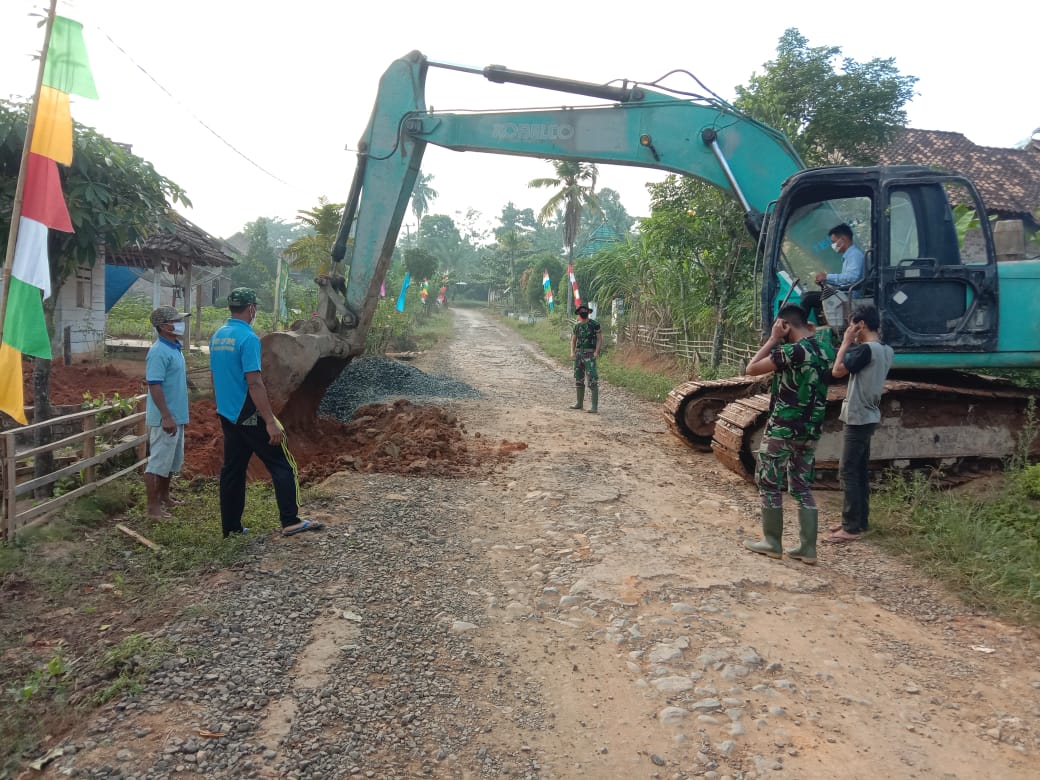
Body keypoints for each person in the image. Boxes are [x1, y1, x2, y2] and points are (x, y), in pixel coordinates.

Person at [209, 288, 324, 538]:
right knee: (282, 462)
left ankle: (231, 528)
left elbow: (216, 375)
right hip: (248, 412)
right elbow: (254, 382)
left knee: (233, 470)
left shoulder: (218, 336)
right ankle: (290, 520)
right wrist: (270, 421)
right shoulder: (248, 339)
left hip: (228, 413)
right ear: (251, 308)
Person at [743, 304, 835, 565]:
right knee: (802, 486)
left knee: (769, 483)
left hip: (783, 429)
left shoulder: (791, 352)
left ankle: (772, 542)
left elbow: (752, 368)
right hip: (811, 430)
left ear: (784, 325)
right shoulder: (824, 350)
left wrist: (773, 339)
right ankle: (808, 548)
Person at [827, 304, 894, 542]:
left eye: (852, 325)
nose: (850, 329)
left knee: (848, 471)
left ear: (861, 325)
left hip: (857, 416)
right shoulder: (886, 350)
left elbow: (837, 371)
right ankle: (859, 521)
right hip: (870, 414)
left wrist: (846, 342)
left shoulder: (865, 350)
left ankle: (851, 527)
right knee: (860, 471)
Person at [144, 305, 190, 519]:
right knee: (158, 463)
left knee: (171, 461)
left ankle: (165, 496)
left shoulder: (174, 348)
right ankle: (153, 508)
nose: (181, 324)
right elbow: (154, 385)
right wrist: (166, 415)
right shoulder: (158, 352)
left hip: (175, 415)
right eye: (176, 321)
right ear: (164, 326)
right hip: (165, 417)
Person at [802, 223, 866, 324]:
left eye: (834, 242)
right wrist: (825, 280)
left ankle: (798, 326)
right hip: (844, 293)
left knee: (808, 299)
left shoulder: (855, 255)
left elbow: (852, 277)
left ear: (843, 239)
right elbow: (845, 279)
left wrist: (827, 277)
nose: (833, 245)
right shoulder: (849, 256)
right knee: (807, 295)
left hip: (849, 296)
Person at [569, 303, 602, 414]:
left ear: (588, 312)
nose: (583, 312)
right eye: (581, 311)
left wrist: (596, 351)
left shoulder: (594, 324)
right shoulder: (577, 326)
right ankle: (579, 403)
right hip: (579, 354)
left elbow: (599, 339)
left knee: (592, 379)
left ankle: (594, 407)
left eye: (584, 311)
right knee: (578, 378)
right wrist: (572, 352)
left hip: (590, 354)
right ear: (578, 313)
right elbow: (573, 340)